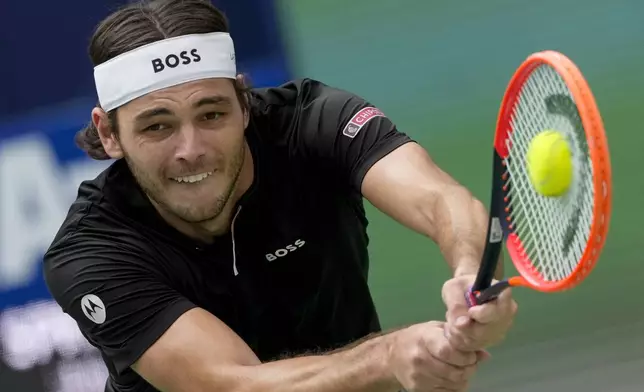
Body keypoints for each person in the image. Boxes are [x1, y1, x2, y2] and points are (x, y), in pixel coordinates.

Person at [43, 0, 517, 391]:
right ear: (109, 134)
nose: (192, 151)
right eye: (158, 126)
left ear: (243, 103)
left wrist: (475, 279)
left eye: (212, 115)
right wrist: (390, 356)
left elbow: (441, 201)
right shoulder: (91, 251)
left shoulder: (314, 124)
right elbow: (236, 384)